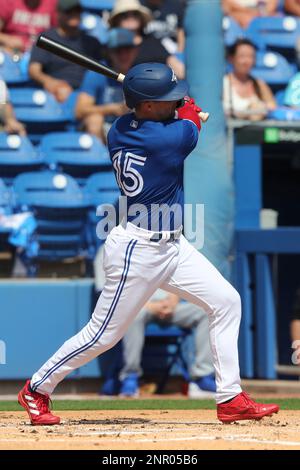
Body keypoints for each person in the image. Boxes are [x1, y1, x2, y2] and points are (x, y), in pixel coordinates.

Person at [18, 62, 279, 426]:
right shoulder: (166, 140)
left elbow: (176, 115)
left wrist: (174, 102)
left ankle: (230, 397)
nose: (172, 102)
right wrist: (187, 105)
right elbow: (191, 125)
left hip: (173, 246)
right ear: (146, 105)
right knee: (103, 335)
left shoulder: (121, 128)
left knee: (226, 301)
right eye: (165, 99)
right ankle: (36, 389)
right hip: (137, 250)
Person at [118, 290, 216, 398]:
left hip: (169, 306)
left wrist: (172, 303)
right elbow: (115, 293)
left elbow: (175, 284)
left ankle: (201, 378)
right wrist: (150, 306)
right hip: (138, 307)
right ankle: (130, 377)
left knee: (204, 312)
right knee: (133, 315)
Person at [29, 0, 103, 103]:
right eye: (69, 11)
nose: (74, 15)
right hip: (57, 94)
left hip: (87, 93)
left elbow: (102, 69)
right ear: (58, 14)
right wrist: (52, 83)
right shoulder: (47, 39)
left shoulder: (91, 42)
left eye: (77, 11)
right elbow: (34, 70)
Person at [75, 28, 136, 142]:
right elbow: (80, 110)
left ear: (135, 51)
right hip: (105, 128)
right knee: (94, 120)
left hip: (132, 127)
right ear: (109, 52)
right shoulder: (97, 73)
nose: (123, 55)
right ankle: (99, 159)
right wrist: (112, 109)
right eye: (118, 50)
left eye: (127, 49)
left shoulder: (140, 73)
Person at [109, 0, 185, 79]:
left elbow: (177, 68)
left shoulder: (153, 43)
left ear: (140, 18)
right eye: (124, 15)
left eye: (135, 14)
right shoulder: (111, 44)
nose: (130, 17)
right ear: (116, 20)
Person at [223, 38, 276, 120]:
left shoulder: (259, 84)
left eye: (251, 56)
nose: (247, 61)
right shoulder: (223, 83)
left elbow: (273, 107)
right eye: (242, 56)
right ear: (231, 58)